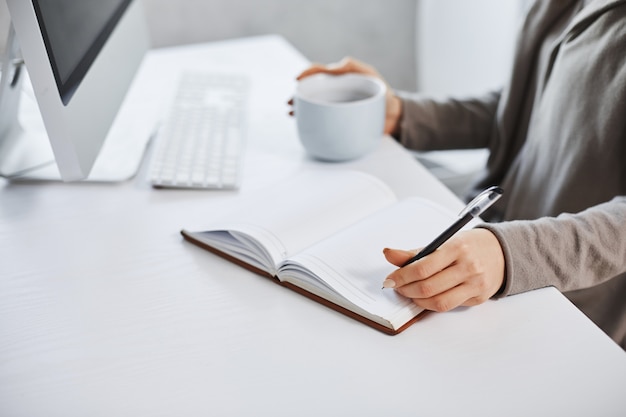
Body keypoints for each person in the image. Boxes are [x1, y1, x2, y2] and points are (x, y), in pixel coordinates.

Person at [292, 0, 626, 349]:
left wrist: (510, 253)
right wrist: (405, 114)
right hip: (479, 248)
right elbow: (531, 107)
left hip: (572, 305)